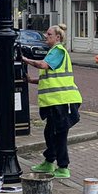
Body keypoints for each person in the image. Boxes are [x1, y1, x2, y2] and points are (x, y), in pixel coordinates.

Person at [20, 23, 82, 180]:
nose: (46, 36)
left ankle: (63, 167)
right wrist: (31, 80)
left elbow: (43, 65)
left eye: (49, 34)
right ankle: (49, 162)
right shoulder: (53, 51)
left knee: (59, 134)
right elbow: (49, 78)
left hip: (63, 101)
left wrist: (25, 59)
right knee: (50, 132)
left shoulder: (58, 51)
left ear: (58, 37)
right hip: (56, 102)